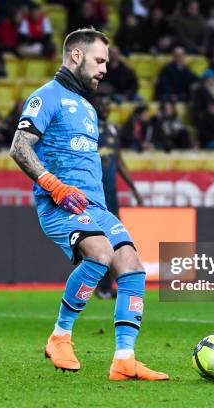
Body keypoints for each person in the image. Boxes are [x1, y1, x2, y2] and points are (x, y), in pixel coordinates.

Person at [8, 27, 168, 381]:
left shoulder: (88, 108)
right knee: (99, 254)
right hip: (60, 204)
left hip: (95, 206)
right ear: (76, 56)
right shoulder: (45, 97)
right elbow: (20, 146)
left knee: (132, 266)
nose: (105, 68)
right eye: (99, 60)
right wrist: (53, 184)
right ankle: (60, 336)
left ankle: (124, 360)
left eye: (106, 62)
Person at [91, 91, 144, 299]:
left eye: (107, 103)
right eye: (101, 104)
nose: (105, 107)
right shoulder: (88, 127)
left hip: (111, 195)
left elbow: (119, 161)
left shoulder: (112, 129)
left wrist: (134, 189)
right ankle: (101, 287)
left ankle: (106, 287)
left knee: (113, 241)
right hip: (95, 195)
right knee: (97, 242)